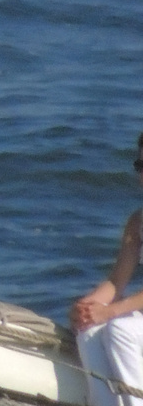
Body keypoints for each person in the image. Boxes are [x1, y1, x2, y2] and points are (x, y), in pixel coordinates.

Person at [72, 133, 143, 406]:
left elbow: (117, 307)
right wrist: (88, 307)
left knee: (121, 330)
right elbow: (116, 281)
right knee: (88, 330)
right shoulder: (138, 221)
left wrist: (111, 311)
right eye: (139, 166)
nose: (141, 176)